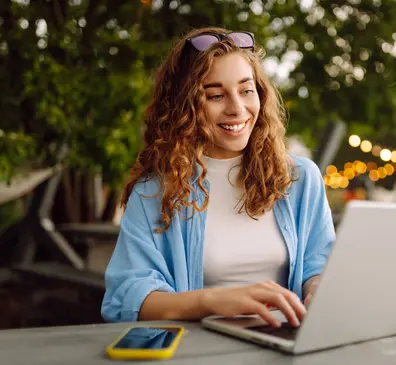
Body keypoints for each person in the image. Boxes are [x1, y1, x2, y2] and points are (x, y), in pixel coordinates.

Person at [100, 27, 336, 328]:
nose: (237, 109)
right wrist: (211, 300)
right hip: (197, 357)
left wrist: (317, 288)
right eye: (215, 95)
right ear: (184, 107)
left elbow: (319, 263)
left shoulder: (300, 179)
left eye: (246, 90)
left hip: (281, 347)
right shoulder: (155, 192)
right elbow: (126, 298)